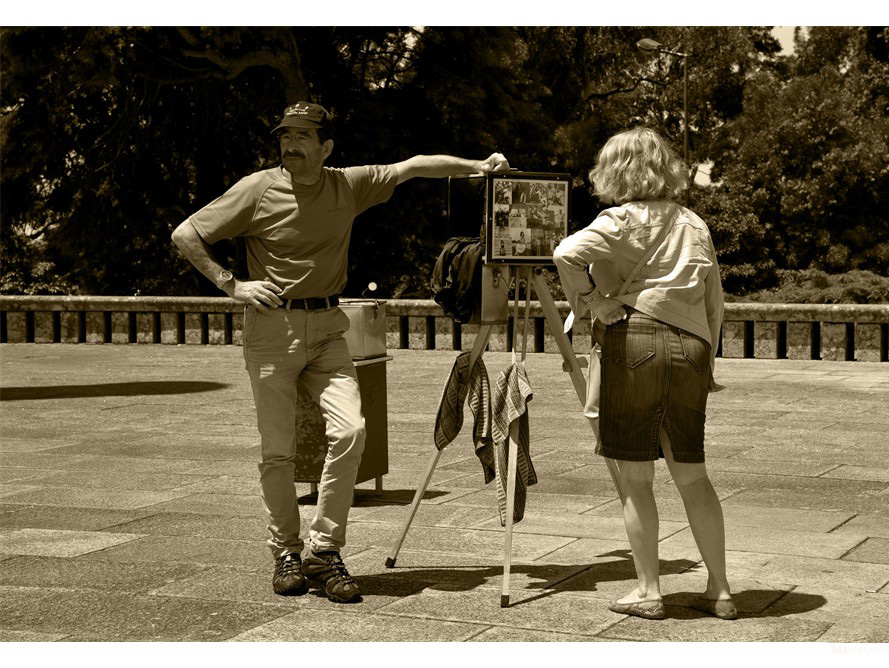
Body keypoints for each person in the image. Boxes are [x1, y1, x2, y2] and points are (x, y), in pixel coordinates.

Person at [171, 101, 509, 602]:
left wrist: (478, 167)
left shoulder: (347, 185)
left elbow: (414, 166)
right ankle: (285, 550)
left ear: (326, 146)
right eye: (285, 135)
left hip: (330, 328)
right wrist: (232, 285)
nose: (290, 144)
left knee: (352, 430)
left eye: (303, 136)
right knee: (277, 451)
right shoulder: (257, 188)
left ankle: (323, 549)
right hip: (271, 331)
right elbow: (186, 233)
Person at [553, 127, 734, 621]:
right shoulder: (695, 224)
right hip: (691, 346)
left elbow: (565, 253)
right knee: (693, 476)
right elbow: (714, 302)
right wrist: (709, 363)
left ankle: (649, 590)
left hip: (634, 339)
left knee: (636, 480)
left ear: (613, 171)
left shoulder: (616, 220)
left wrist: (593, 303)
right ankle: (719, 590)